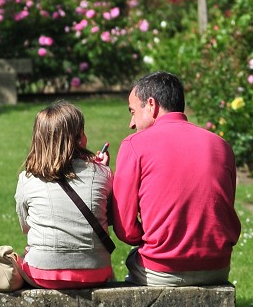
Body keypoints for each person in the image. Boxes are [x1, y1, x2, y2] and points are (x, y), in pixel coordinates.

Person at [112, 70, 241, 286]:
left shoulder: (134, 145)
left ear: (151, 105)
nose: (131, 123)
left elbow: (125, 229)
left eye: (133, 112)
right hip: (217, 267)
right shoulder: (221, 146)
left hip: (162, 268)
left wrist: (154, 233)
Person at [15, 101, 114, 287]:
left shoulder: (27, 179)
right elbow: (109, 218)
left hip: (42, 272)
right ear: (77, 140)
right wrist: (103, 171)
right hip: (96, 271)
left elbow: (25, 226)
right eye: (83, 132)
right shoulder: (103, 174)